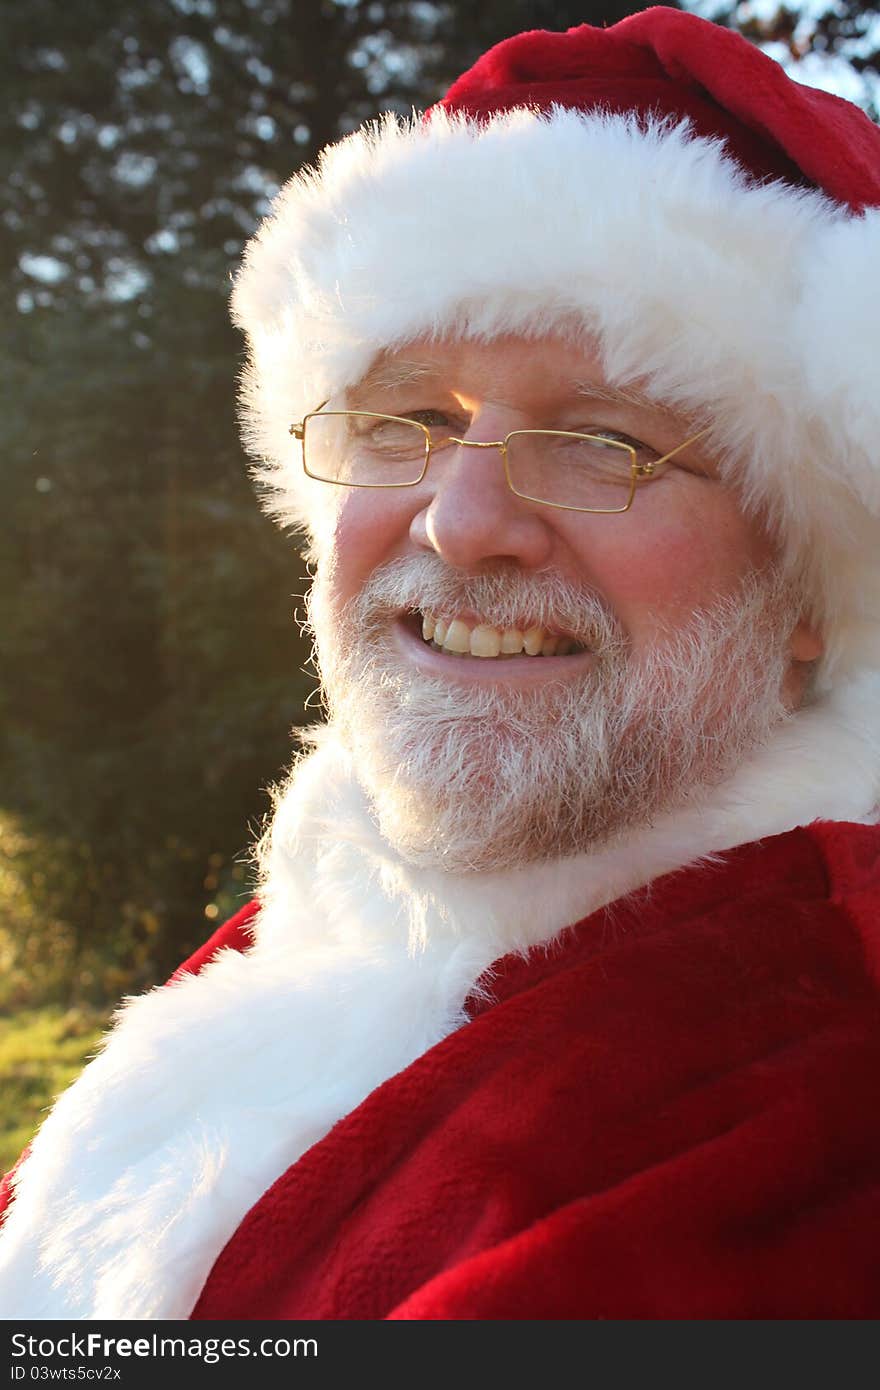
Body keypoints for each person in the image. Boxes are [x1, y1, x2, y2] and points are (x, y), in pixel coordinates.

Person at [2, 5, 880, 1321]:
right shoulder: (317, 931)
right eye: (407, 418)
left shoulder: (787, 1122)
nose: (460, 524)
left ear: (806, 582)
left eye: (603, 440)